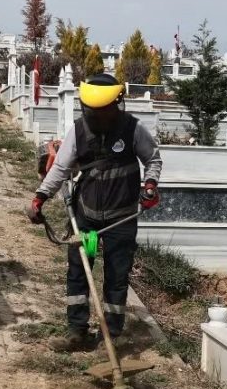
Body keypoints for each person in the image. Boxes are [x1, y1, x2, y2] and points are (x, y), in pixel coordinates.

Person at [26, 73, 163, 352]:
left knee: (116, 275)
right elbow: (60, 169)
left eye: (103, 110)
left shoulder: (133, 130)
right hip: (85, 215)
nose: (98, 116)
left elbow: (153, 159)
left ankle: (111, 334)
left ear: (116, 104)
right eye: (92, 111)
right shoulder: (79, 131)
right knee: (78, 271)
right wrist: (40, 197)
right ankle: (77, 331)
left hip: (121, 217)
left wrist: (150, 185)